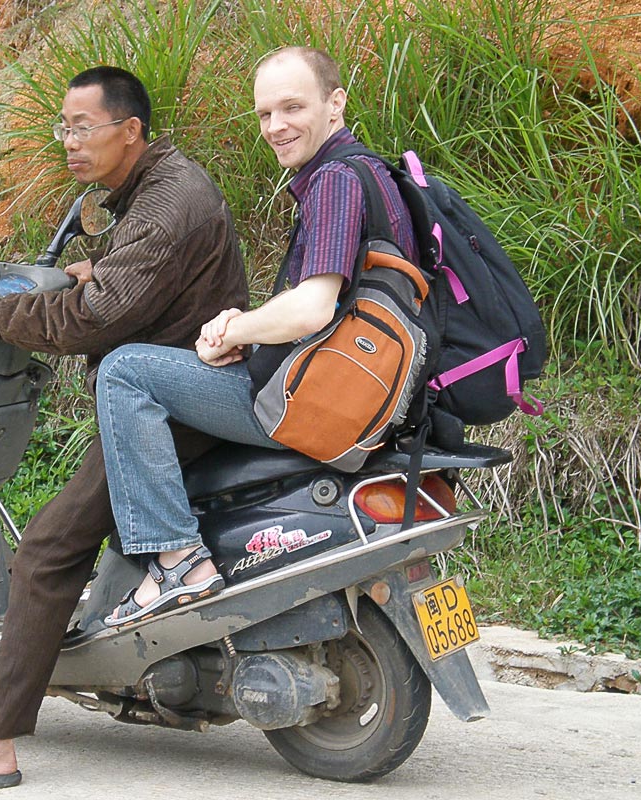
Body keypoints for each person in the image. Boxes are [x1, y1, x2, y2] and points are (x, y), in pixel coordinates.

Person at [0, 66, 248, 795]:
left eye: (83, 126)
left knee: (49, 550)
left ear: (131, 131)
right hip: (178, 391)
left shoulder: (165, 204)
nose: (69, 141)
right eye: (64, 126)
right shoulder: (157, 190)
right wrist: (93, 268)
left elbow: (97, 319)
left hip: (172, 404)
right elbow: (136, 283)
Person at [97, 47, 418, 627]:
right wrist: (253, 340)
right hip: (358, 390)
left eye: (293, 107)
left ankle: (177, 563)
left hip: (326, 404)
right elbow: (342, 309)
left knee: (126, 371)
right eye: (265, 113)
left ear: (335, 103)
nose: (276, 126)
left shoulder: (336, 182)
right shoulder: (373, 172)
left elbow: (314, 309)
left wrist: (233, 327)